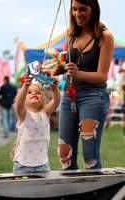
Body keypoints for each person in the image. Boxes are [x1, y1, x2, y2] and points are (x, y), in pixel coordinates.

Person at [43, 0, 114, 170]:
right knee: (64, 154)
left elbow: (102, 76)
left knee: (90, 158)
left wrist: (78, 73)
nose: (77, 14)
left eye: (83, 9)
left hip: (93, 97)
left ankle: (96, 194)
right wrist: (52, 71)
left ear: (94, 9)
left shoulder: (105, 36)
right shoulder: (71, 34)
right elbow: (65, 65)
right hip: (69, 96)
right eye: (74, 9)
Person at [10, 76, 61, 174]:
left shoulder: (45, 112)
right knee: (22, 189)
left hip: (43, 165)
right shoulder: (23, 114)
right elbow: (19, 103)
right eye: (29, 92)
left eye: (38, 93)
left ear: (42, 99)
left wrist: (54, 88)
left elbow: (56, 101)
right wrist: (25, 86)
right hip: (22, 166)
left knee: (42, 190)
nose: (34, 93)